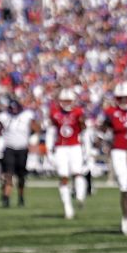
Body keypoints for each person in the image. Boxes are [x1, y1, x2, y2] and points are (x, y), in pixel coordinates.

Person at [103, 81, 127, 236]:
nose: (124, 100)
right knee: (124, 186)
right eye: (121, 98)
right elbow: (104, 129)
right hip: (118, 151)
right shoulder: (111, 112)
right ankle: (126, 219)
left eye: (126, 97)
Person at [49, 87, 87, 219]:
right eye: (64, 101)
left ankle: (80, 196)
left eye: (68, 101)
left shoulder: (78, 112)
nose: (66, 103)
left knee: (77, 173)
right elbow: (52, 131)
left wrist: (87, 149)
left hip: (75, 146)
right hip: (61, 147)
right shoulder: (54, 113)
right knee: (63, 177)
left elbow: (84, 130)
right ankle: (67, 207)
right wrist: (50, 150)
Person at [0, 99, 37, 207]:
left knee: (21, 176)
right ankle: (6, 198)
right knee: (8, 174)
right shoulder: (4, 116)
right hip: (9, 148)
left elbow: (36, 128)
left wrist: (31, 138)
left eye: (16, 109)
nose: (14, 111)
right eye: (12, 109)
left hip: (22, 148)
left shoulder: (27, 116)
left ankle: (20, 197)